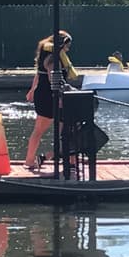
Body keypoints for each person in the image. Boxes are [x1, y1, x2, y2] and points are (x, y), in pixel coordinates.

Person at [24, 30, 77, 171]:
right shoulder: (54, 58)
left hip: (42, 95)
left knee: (49, 130)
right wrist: (59, 96)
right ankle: (63, 160)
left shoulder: (44, 54)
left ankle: (32, 160)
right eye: (67, 45)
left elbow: (38, 74)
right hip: (51, 97)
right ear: (62, 44)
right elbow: (51, 77)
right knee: (65, 131)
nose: (68, 48)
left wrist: (32, 90)